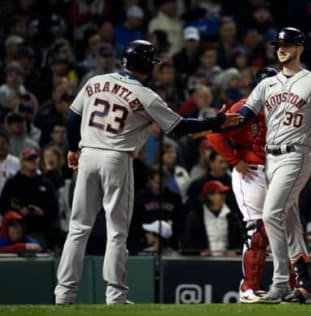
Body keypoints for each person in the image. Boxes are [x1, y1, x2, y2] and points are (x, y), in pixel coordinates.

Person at [54, 40, 242, 305]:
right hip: (115, 159)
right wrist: (216, 122)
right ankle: (116, 295)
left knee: (78, 227)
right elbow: (181, 127)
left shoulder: (95, 81)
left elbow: (73, 118)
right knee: (117, 231)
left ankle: (64, 293)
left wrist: (73, 148)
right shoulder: (145, 95)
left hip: (87, 156)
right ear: (147, 67)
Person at [230, 27, 311, 304]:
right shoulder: (267, 84)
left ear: (300, 47)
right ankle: (306, 284)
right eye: (278, 44)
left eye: (287, 44)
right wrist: (208, 123)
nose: (281, 48)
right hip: (270, 159)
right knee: (289, 223)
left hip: (296, 155)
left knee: (270, 214)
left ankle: (278, 284)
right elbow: (241, 116)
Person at [207, 67, 278, 303]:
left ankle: (288, 287)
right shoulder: (244, 107)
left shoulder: (284, 109)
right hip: (251, 173)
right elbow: (214, 133)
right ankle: (248, 288)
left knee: (282, 233)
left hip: (277, 173)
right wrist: (234, 161)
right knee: (257, 231)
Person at [182, 180, 243, 257]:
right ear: (209, 196)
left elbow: (241, 241)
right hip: (203, 263)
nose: (223, 196)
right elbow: (187, 243)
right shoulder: (195, 217)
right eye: (220, 193)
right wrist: (198, 253)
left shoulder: (232, 217)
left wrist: (236, 252)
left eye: (223, 193)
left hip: (228, 261)